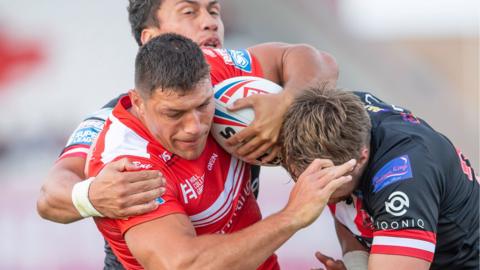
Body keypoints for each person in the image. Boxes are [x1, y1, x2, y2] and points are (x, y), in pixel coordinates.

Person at [37, 1, 338, 267]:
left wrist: (288, 101)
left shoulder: (220, 72)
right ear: (152, 37)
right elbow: (50, 196)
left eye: (213, 10)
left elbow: (319, 62)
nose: (209, 21)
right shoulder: (117, 138)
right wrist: (89, 195)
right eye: (189, 11)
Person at [87, 33, 352, 270]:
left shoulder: (213, 68)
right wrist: (292, 215)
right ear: (138, 102)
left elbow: (321, 61)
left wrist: (287, 101)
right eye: (174, 113)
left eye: (203, 105)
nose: (195, 127)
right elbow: (181, 265)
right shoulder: (128, 165)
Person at [280, 87, 479, 270]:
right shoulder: (336, 113)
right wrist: (356, 265)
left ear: (361, 157)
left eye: (327, 184)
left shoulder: (403, 178)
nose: (312, 192)